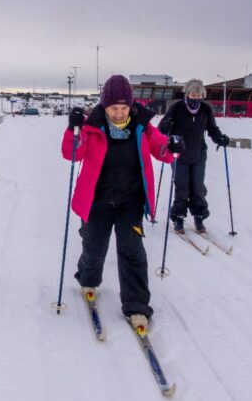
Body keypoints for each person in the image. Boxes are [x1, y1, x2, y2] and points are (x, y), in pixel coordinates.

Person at [62, 75, 175, 330]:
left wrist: (173, 146)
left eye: (124, 108)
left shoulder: (142, 126)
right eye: (114, 108)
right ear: (104, 106)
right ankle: (88, 279)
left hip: (130, 202)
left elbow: (163, 151)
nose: (119, 113)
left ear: (131, 106)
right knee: (94, 247)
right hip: (96, 201)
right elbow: (71, 153)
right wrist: (73, 129)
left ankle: (136, 305)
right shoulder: (92, 126)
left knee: (132, 251)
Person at [157, 79, 229, 235]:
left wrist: (220, 138)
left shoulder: (205, 109)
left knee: (198, 187)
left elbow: (212, 128)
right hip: (178, 153)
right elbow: (161, 129)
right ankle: (179, 217)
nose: (195, 99)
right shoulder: (177, 107)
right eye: (192, 95)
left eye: (198, 95)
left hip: (198, 153)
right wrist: (167, 124)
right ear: (187, 93)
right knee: (182, 186)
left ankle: (199, 216)